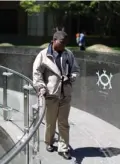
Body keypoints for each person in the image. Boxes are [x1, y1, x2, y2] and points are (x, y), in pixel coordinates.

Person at [33, 29, 80, 160]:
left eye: (66, 43)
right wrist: (41, 87)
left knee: (64, 122)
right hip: (50, 94)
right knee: (50, 122)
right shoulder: (43, 55)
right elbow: (37, 73)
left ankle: (63, 148)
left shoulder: (69, 54)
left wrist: (71, 77)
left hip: (65, 94)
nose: (64, 45)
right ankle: (49, 142)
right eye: (62, 42)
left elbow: (76, 70)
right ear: (54, 40)